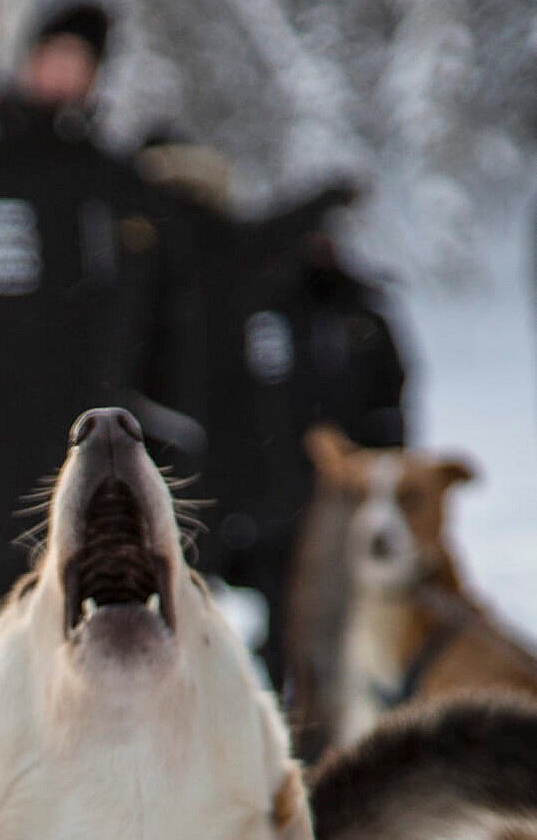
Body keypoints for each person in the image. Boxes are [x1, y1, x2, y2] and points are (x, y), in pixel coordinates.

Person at [0, 0, 203, 599]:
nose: (66, 72)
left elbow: (174, 315)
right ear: (14, 53)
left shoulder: (119, 187)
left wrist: (167, 426)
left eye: (81, 59)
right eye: (50, 53)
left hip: (102, 461)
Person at [136, 135, 396, 690]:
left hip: (239, 485)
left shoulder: (262, 286)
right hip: (218, 481)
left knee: (264, 629)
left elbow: (372, 391)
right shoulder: (219, 269)